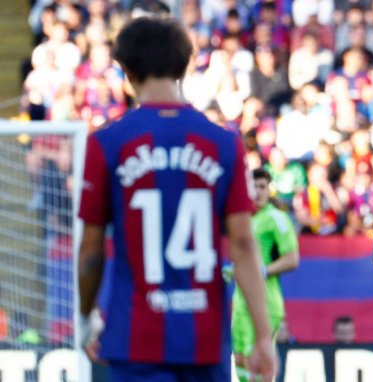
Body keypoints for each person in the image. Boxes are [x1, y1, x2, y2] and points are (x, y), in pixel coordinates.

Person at [77, 17, 275, 382]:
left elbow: (90, 251)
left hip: (135, 339)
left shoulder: (106, 142)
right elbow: (244, 244)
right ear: (185, 65)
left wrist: (86, 316)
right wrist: (264, 336)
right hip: (205, 338)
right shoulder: (224, 142)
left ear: (127, 71)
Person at [232, 168, 300, 381]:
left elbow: (292, 259)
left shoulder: (276, 218)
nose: (259, 191)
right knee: (240, 361)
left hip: (265, 302)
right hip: (240, 302)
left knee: (259, 366)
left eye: (263, 187)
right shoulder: (243, 219)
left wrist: (261, 271)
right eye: (255, 186)